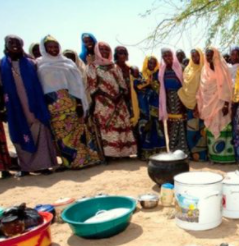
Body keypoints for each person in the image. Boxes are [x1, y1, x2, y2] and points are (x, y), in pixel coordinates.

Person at [37, 35, 101, 169]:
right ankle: (69, 162)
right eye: (50, 47)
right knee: (61, 135)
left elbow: (76, 84)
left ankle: (84, 160)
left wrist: (79, 103)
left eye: (55, 47)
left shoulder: (68, 63)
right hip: (53, 105)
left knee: (78, 132)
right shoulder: (39, 64)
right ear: (44, 48)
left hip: (71, 102)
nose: (53, 49)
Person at [1, 35, 58, 174]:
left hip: (35, 106)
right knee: (21, 134)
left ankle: (44, 166)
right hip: (15, 108)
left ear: (22, 44)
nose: (14, 45)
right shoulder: (1, 66)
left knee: (40, 132)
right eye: (11, 42)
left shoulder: (31, 63)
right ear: (6, 45)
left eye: (17, 42)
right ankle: (26, 168)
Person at [87, 41, 137, 158]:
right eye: (102, 49)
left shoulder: (115, 67)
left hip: (119, 102)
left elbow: (122, 85)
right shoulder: (93, 66)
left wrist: (118, 96)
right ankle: (110, 154)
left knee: (121, 125)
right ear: (97, 51)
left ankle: (123, 153)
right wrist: (108, 97)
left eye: (106, 49)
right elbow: (93, 86)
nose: (104, 52)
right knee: (107, 128)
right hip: (103, 103)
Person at [197, 47, 235, 163]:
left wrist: (225, 104)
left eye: (210, 55)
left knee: (223, 127)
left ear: (215, 55)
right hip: (209, 105)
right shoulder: (205, 70)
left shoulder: (222, 69)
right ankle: (214, 157)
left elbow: (228, 87)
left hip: (221, 104)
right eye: (207, 55)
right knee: (210, 129)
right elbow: (202, 89)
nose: (208, 58)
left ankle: (225, 158)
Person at [178, 48, 207, 161]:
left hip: (202, 105)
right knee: (191, 131)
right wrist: (188, 102)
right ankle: (193, 155)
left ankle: (202, 156)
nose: (195, 58)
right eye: (193, 56)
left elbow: (203, 88)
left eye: (197, 56)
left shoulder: (205, 69)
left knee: (202, 131)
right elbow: (186, 88)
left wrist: (197, 105)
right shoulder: (187, 70)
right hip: (189, 105)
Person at [158, 48, 189, 154]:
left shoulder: (181, 68)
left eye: (169, 55)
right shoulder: (162, 70)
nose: (167, 58)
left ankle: (183, 150)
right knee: (171, 123)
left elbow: (186, 85)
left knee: (180, 123)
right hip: (167, 99)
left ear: (173, 56)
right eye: (165, 56)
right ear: (162, 58)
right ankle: (172, 149)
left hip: (179, 98)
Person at [135, 56, 166, 160]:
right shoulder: (141, 75)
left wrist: (151, 86)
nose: (151, 65)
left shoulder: (159, 75)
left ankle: (160, 153)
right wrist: (147, 85)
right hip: (144, 107)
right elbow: (137, 87)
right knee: (145, 129)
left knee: (157, 129)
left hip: (156, 106)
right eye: (149, 63)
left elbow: (161, 89)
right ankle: (146, 154)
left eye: (153, 63)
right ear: (146, 63)